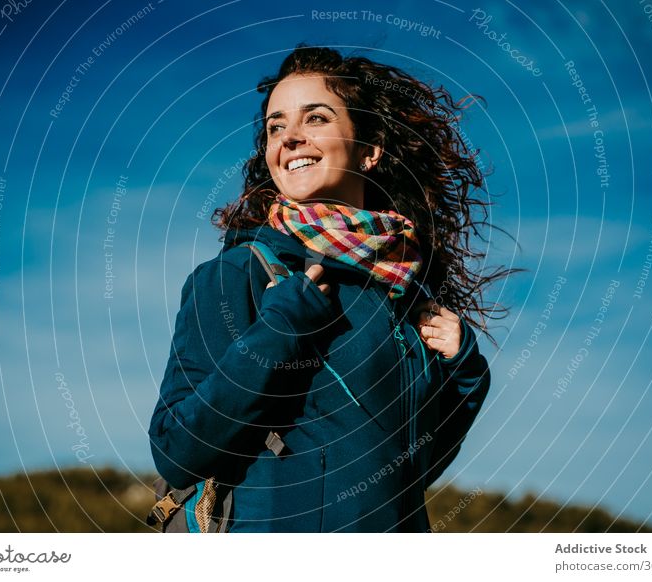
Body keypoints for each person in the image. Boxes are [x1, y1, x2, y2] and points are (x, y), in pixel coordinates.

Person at [149, 45, 507, 532]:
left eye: (315, 118)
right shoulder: (237, 274)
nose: (290, 138)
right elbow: (177, 448)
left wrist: (464, 374)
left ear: (370, 148)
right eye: (276, 127)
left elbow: (407, 475)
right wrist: (282, 327)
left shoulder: (397, 292)